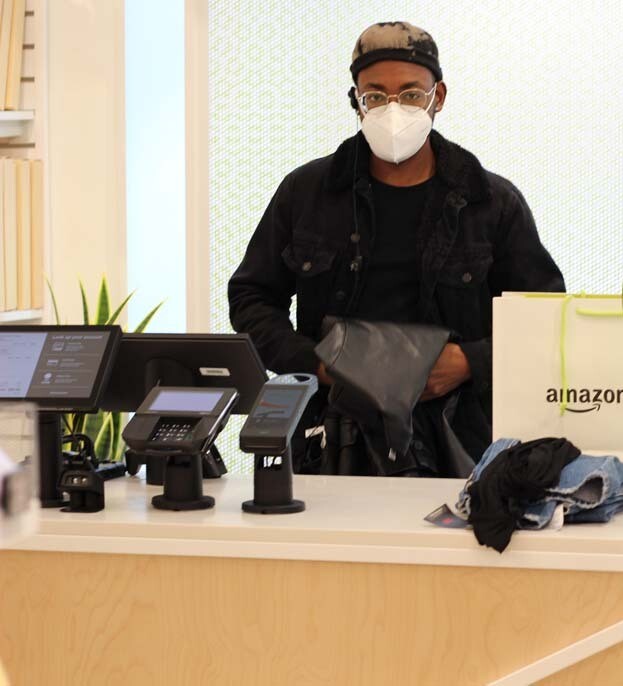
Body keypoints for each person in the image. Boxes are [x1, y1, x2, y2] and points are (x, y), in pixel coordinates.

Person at [228, 21, 565, 475]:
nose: (393, 108)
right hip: (331, 438)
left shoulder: (491, 202)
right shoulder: (306, 192)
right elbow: (251, 296)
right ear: (356, 101)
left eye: (410, 93)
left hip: (459, 439)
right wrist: (317, 366)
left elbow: (544, 315)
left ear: (437, 97)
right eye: (375, 95)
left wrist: (469, 361)